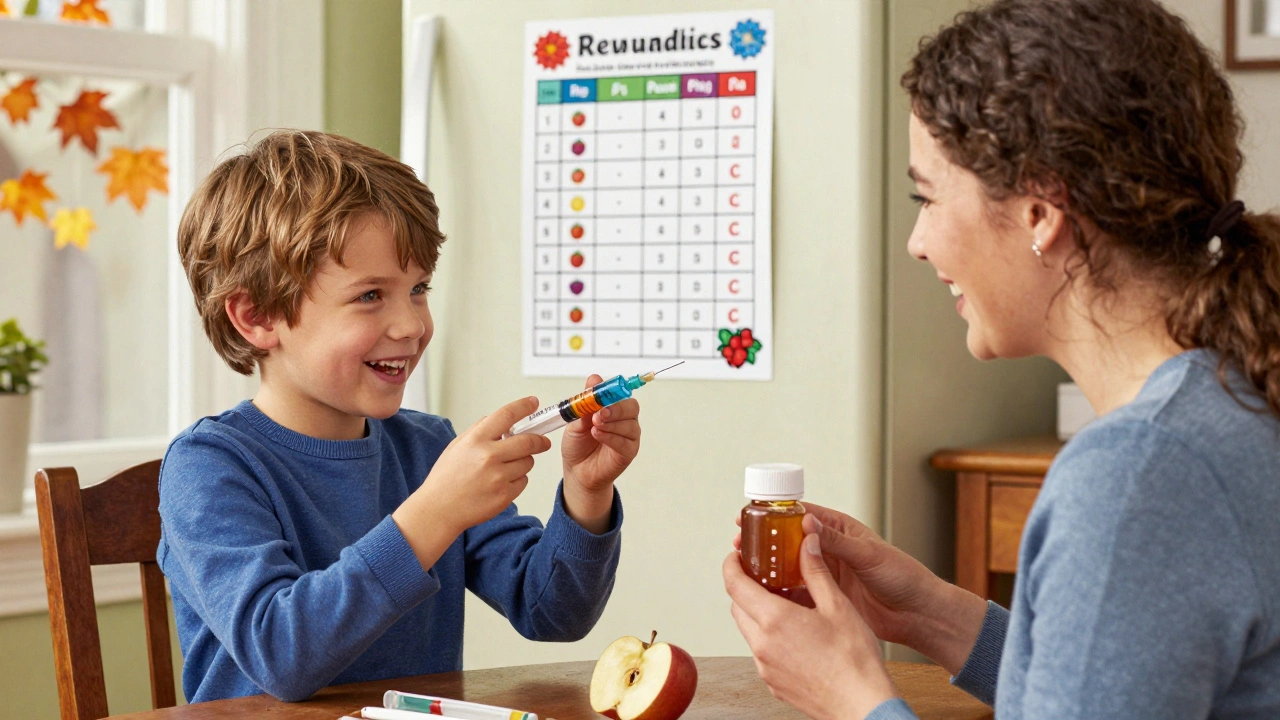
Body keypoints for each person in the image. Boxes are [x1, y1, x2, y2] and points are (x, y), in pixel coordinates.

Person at [722, 0, 1280, 717]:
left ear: (1040, 214)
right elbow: (1116, 681)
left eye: (927, 197)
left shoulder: (1138, 474)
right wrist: (929, 613)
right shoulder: (1225, 397)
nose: (917, 243)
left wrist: (851, 696)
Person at [158, 130, 641, 703]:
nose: (412, 325)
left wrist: (586, 493)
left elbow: (553, 612)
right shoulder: (208, 467)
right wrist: (436, 510)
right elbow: (281, 655)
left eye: (418, 289)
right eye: (370, 296)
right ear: (258, 317)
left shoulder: (428, 448)